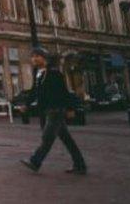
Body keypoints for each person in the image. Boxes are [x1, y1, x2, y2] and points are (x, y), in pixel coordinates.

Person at [19, 47, 86, 175]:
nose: (33, 59)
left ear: (44, 58)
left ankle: (35, 161)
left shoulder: (54, 73)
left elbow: (64, 92)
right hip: (47, 109)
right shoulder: (38, 73)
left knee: (47, 137)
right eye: (32, 56)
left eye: (36, 56)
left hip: (56, 109)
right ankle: (80, 164)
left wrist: (71, 108)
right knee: (67, 139)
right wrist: (26, 104)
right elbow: (34, 91)